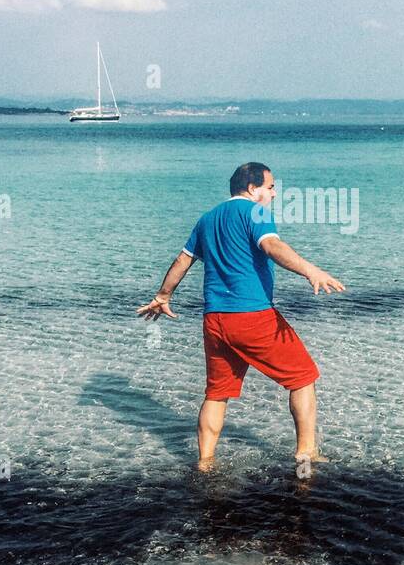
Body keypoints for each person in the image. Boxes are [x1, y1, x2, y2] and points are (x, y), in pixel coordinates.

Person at [136, 162, 345, 467]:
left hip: (215, 321)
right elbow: (271, 246)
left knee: (216, 393)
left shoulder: (207, 219)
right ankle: (306, 452)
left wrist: (163, 296)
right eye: (270, 187)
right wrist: (310, 271)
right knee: (303, 378)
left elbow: (183, 260)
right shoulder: (256, 213)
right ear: (252, 188)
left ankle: (205, 462)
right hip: (252, 316)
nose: (274, 194)